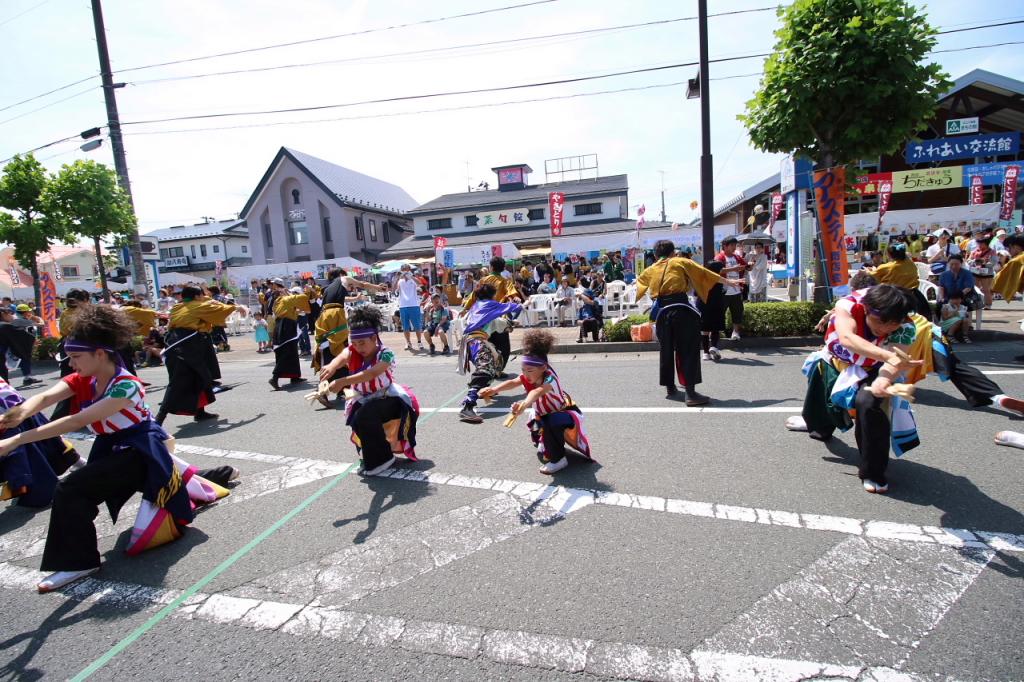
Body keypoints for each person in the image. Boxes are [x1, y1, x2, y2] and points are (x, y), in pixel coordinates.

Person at [0, 305, 228, 593]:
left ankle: (78, 562)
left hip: (139, 452)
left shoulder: (126, 386)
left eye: (76, 357)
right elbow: (45, 396)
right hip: (116, 449)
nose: (71, 364)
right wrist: (18, 414)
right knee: (171, 486)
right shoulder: (86, 378)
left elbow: (79, 420)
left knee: (72, 489)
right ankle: (214, 476)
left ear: (99, 354)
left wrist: (17, 439)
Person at [786, 285, 924, 494]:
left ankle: (873, 471)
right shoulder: (849, 306)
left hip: (872, 368)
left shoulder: (905, 327)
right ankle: (817, 426)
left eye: (892, 324)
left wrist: (882, 381)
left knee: (870, 404)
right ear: (867, 309)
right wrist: (888, 356)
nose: (885, 329)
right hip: (839, 358)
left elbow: (894, 363)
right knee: (820, 392)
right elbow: (847, 338)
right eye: (879, 322)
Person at [318, 306, 419, 477]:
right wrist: (331, 366)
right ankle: (375, 455)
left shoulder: (386, 354)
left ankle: (383, 459)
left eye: (362, 343)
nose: (358, 347)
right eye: (355, 343)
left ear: (374, 338)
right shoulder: (353, 350)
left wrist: (342, 381)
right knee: (357, 420)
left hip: (387, 398)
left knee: (365, 416)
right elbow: (343, 355)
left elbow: (371, 373)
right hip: (363, 398)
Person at [478, 330, 594, 475]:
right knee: (537, 425)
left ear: (544, 368)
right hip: (542, 413)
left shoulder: (550, 379)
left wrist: (524, 405)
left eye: (530, 370)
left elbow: (536, 392)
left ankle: (559, 459)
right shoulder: (531, 374)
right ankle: (545, 440)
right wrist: (493, 389)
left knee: (552, 421)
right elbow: (513, 381)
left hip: (564, 413)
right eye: (523, 370)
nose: (526, 374)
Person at [637, 240, 736, 405]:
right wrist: (728, 282)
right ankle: (690, 394)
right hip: (681, 310)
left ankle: (670, 388)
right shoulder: (680, 261)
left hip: (661, 314)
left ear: (655, 255)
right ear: (673, 253)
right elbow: (704, 274)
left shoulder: (651, 268)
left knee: (666, 350)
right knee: (688, 350)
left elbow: (640, 284)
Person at [156, 286, 235, 424]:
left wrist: (200, 296)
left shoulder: (178, 306)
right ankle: (159, 418)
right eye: (202, 295)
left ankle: (200, 412)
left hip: (180, 343)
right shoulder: (198, 306)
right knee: (179, 382)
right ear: (198, 296)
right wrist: (236, 307)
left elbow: (202, 302)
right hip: (188, 344)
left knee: (200, 377)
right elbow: (223, 309)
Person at [0, 378, 80, 507]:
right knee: (40, 446)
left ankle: (45, 489)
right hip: (14, 411)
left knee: (29, 456)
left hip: (11, 412)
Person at [457, 283, 523, 424]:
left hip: (469, 341)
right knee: (486, 368)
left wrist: (508, 323)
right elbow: (512, 312)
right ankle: (468, 405)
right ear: (492, 295)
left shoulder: (475, 307)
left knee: (495, 360)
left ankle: (483, 390)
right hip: (476, 341)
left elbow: (496, 322)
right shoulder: (490, 306)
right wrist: (514, 314)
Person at [459, 256, 523, 373]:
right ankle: (498, 370)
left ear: (491, 267)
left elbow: (474, 295)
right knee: (503, 345)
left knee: (488, 343)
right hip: (499, 316)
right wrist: (516, 298)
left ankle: (487, 367)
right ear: (503, 268)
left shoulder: (483, 281)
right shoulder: (505, 281)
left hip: (482, 318)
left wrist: (465, 308)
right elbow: (512, 294)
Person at [866, 243, 931, 317]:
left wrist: (868, 271)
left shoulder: (888, 267)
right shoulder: (910, 263)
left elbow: (871, 276)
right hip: (915, 296)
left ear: (889, 255)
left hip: (895, 297)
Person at [269, 285, 311, 390]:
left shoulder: (280, 302)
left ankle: (294, 377)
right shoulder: (285, 299)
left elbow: (298, 310)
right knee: (286, 352)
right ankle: (275, 377)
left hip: (283, 326)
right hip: (286, 326)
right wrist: (308, 291)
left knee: (292, 352)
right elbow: (302, 298)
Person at [715, 236, 750, 340]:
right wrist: (734, 268)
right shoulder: (719, 257)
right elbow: (718, 270)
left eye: (735, 245)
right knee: (719, 313)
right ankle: (717, 334)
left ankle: (735, 333)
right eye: (732, 245)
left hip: (736, 291)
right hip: (724, 291)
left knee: (737, 313)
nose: (734, 247)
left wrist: (750, 265)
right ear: (725, 246)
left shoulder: (736, 257)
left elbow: (746, 266)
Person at [0, 306, 41, 387]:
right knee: (2, 379)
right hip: (1, 355)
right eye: (9, 314)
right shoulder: (5, 326)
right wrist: (31, 341)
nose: (12, 316)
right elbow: (20, 338)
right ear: (3, 314)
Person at [698, 260, 727, 362]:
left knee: (704, 330)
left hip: (702, 305)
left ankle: (705, 353)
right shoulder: (719, 280)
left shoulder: (702, 278)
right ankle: (714, 346)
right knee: (715, 328)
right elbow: (724, 290)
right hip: (716, 306)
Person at [394, 267, 425, 352]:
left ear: (409, 270)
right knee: (405, 326)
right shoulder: (400, 281)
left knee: (417, 325)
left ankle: (419, 342)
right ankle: (408, 342)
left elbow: (420, 284)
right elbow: (394, 290)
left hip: (414, 305)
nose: (405, 272)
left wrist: (411, 276)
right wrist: (397, 278)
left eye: (406, 270)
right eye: (403, 270)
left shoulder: (413, 280)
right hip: (403, 306)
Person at [968, 236, 997, 308]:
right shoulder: (975, 251)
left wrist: (984, 264)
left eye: (981, 243)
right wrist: (974, 261)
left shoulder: (992, 252)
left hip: (986, 273)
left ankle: (988, 304)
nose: (979, 245)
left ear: (986, 244)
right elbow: (968, 261)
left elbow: (993, 262)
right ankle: (976, 304)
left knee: (986, 289)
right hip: (975, 272)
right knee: (975, 289)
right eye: (979, 243)